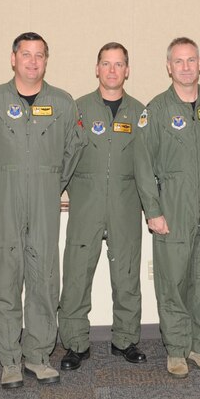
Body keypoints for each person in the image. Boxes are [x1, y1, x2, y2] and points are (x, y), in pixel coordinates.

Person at [0, 32, 84, 388]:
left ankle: (37, 355)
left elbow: (73, 149)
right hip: (5, 200)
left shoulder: (63, 103)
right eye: (26, 54)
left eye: (40, 55)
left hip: (46, 200)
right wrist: (2, 184)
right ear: (13, 58)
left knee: (45, 279)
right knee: (5, 278)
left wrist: (50, 184)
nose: (33, 61)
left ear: (46, 60)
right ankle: (9, 360)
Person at [133, 37, 200, 378]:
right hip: (173, 207)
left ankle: (199, 346)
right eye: (179, 61)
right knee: (172, 282)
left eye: (191, 60)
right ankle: (175, 349)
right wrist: (153, 210)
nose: (186, 67)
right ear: (168, 66)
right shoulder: (155, 110)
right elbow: (143, 166)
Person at [58, 42, 147, 370]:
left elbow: (149, 164)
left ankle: (126, 339)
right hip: (86, 205)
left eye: (119, 64)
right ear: (97, 69)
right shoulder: (77, 110)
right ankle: (74, 343)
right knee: (77, 273)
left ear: (127, 70)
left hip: (126, 205)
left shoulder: (140, 112)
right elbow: (63, 157)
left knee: (126, 275)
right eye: (106, 64)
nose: (112, 70)